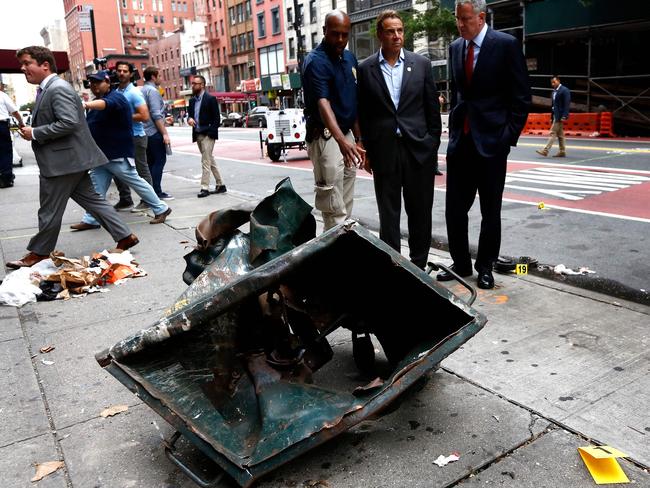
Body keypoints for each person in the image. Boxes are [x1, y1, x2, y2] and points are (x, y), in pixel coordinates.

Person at [6, 46, 137, 269]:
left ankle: (39, 252)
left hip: (62, 163)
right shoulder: (50, 89)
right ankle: (125, 236)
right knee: (94, 201)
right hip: (70, 160)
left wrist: (35, 132)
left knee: (49, 210)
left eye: (27, 63)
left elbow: (69, 123)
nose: (23, 68)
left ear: (44, 65)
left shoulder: (57, 89)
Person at [438, 0, 531, 289]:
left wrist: (506, 138)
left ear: (480, 17)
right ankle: (462, 263)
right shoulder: (455, 48)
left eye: (465, 19)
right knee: (454, 209)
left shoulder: (505, 45)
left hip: (492, 144)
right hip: (461, 142)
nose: (460, 24)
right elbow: (460, 96)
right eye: (457, 19)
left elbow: (521, 97)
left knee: (490, 210)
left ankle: (485, 265)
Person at [357, 10, 442, 269]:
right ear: (380, 35)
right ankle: (393, 266)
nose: (397, 36)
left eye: (400, 30)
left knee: (420, 212)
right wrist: (367, 150)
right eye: (391, 31)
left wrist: (431, 143)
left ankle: (419, 265)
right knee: (389, 215)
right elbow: (365, 112)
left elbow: (431, 109)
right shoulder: (365, 68)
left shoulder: (421, 64)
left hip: (418, 150)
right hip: (385, 151)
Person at [69, 70, 171, 231]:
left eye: (98, 82)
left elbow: (106, 105)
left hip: (116, 153)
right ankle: (91, 219)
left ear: (108, 82)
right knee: (96, 188)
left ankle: (161, 208)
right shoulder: (100, 101)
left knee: (135, 180)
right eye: (92, 83)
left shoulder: (116, 98)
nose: (94, 85)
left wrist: (85, 104)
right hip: (102, 155)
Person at [302, 10, 365, 230]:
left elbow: (353, 100)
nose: (340, 40)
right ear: (324, 31)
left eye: (345, 35)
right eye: (335, 34)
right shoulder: (315, 62)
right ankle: (332, 258)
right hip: (327, 136)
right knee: (332, 204)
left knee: (346, 202)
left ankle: (341, 248)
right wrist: (341, 140)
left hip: (345, 135)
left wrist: (357, 139)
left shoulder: (350, 58)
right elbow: (322, 103)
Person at [111, 61, 152, 211]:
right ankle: (125, 200)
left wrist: (124, 116)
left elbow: (145, 115)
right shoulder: (117, 92)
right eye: (119, 70)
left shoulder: (134, 92)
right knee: (117, 168)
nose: (122, 73)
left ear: (130, 74)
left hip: (136, 136)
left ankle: (148, 201)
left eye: (125, 71)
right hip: (121, 137)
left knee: (141, 170)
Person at [187, 75, 226, 198]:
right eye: (192, 83)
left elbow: (216, 118)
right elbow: (190, 115)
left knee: (205, 161)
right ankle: (221, 185)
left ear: (202, 85)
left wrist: (211, 133)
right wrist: (189, 119)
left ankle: (205, 187)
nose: (192, 86)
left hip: (208, 134)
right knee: (209, 159)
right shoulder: (192, 101)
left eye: (195, 83)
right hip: (198, 134)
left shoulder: (210, 99)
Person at [141, 66, 173, 200]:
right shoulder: (153, 91)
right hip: (153, 132)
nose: (161, 78)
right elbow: (155, 114)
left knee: (150, 163)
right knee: (159, 161)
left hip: (145, 132)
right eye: (159, 75)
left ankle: (151, 193)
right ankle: (156, 192)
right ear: (153, 77)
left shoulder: (142, 90)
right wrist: (165, 133)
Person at [536, 75, 570, 158]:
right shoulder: (554, 91)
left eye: (554, 82)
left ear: (559, 81)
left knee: (552, 133)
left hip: (560, 116)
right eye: (552, 82)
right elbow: (553, 105)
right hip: (555, 115)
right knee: (560, 135)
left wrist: (565, 116)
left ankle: (545, 150)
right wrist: (552, 117)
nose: (553, 84)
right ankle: (562, 151)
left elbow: (567, 104)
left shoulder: (565, 90)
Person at [0, 83, 25, 188]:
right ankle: (5, 178)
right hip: (1, 125)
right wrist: (20, 122)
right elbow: (14, 111)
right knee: (5, 151)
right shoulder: (2, 95)